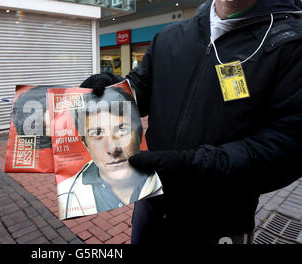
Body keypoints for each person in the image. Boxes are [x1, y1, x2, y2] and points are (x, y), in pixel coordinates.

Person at [81, 0, 302, 244]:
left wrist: (193, 165)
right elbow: (141, 88)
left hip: (219, 221)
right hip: (152, 203)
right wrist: (114, 91)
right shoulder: (169, 37)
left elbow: (288, 146)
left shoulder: (291, 44)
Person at [57, 87, 162, 219]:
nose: (112, 149)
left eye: (122, 129)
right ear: (86, 144)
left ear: (140, 133)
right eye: (97, 133)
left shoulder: (162, 177)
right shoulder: (68, 195)